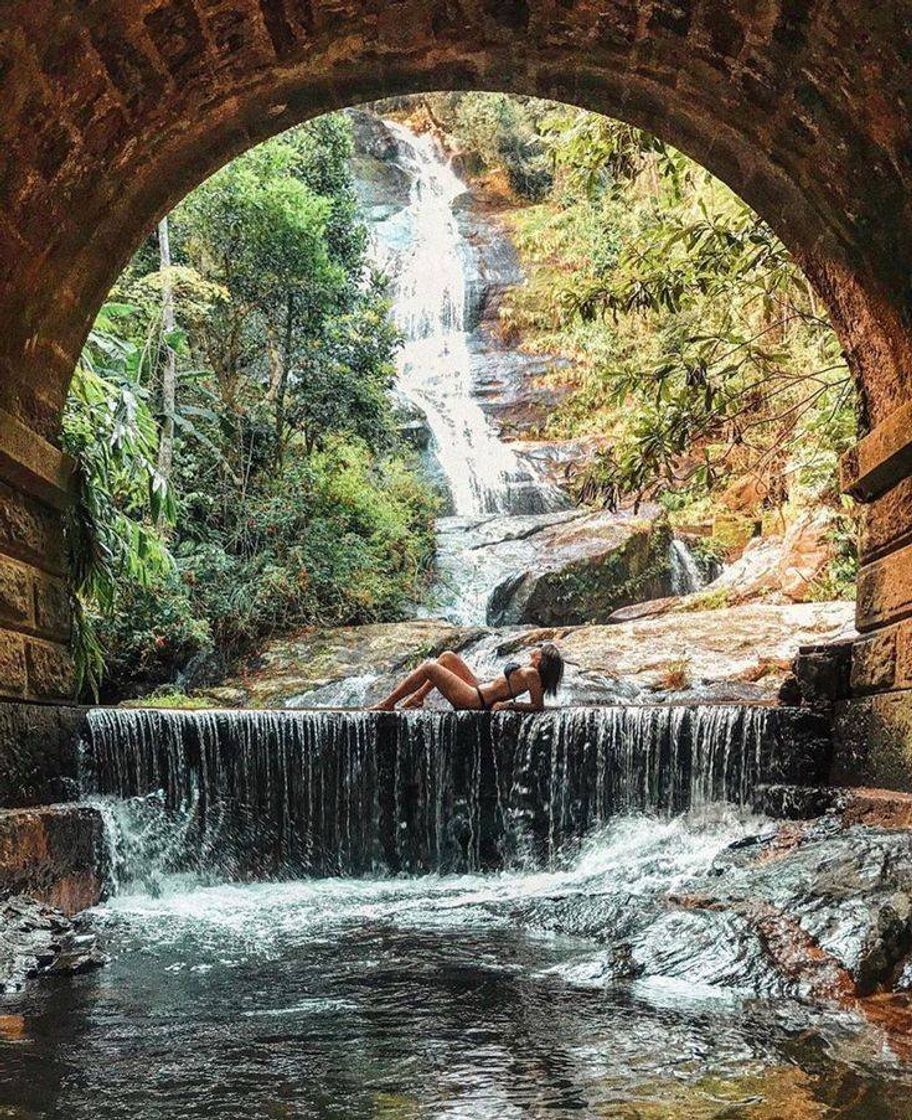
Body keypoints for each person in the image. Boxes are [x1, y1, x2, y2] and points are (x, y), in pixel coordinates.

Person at [370, 642, 564, 712]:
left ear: (542, 658)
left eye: (541, 649)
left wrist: (507, 706)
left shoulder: (532, 674)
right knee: (447, 657)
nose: (537, 649)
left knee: (429, 667)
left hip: (474, 699)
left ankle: (388, 703)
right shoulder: (531, 672)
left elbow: (538, 706)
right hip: (478, 689)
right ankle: (417, 698)